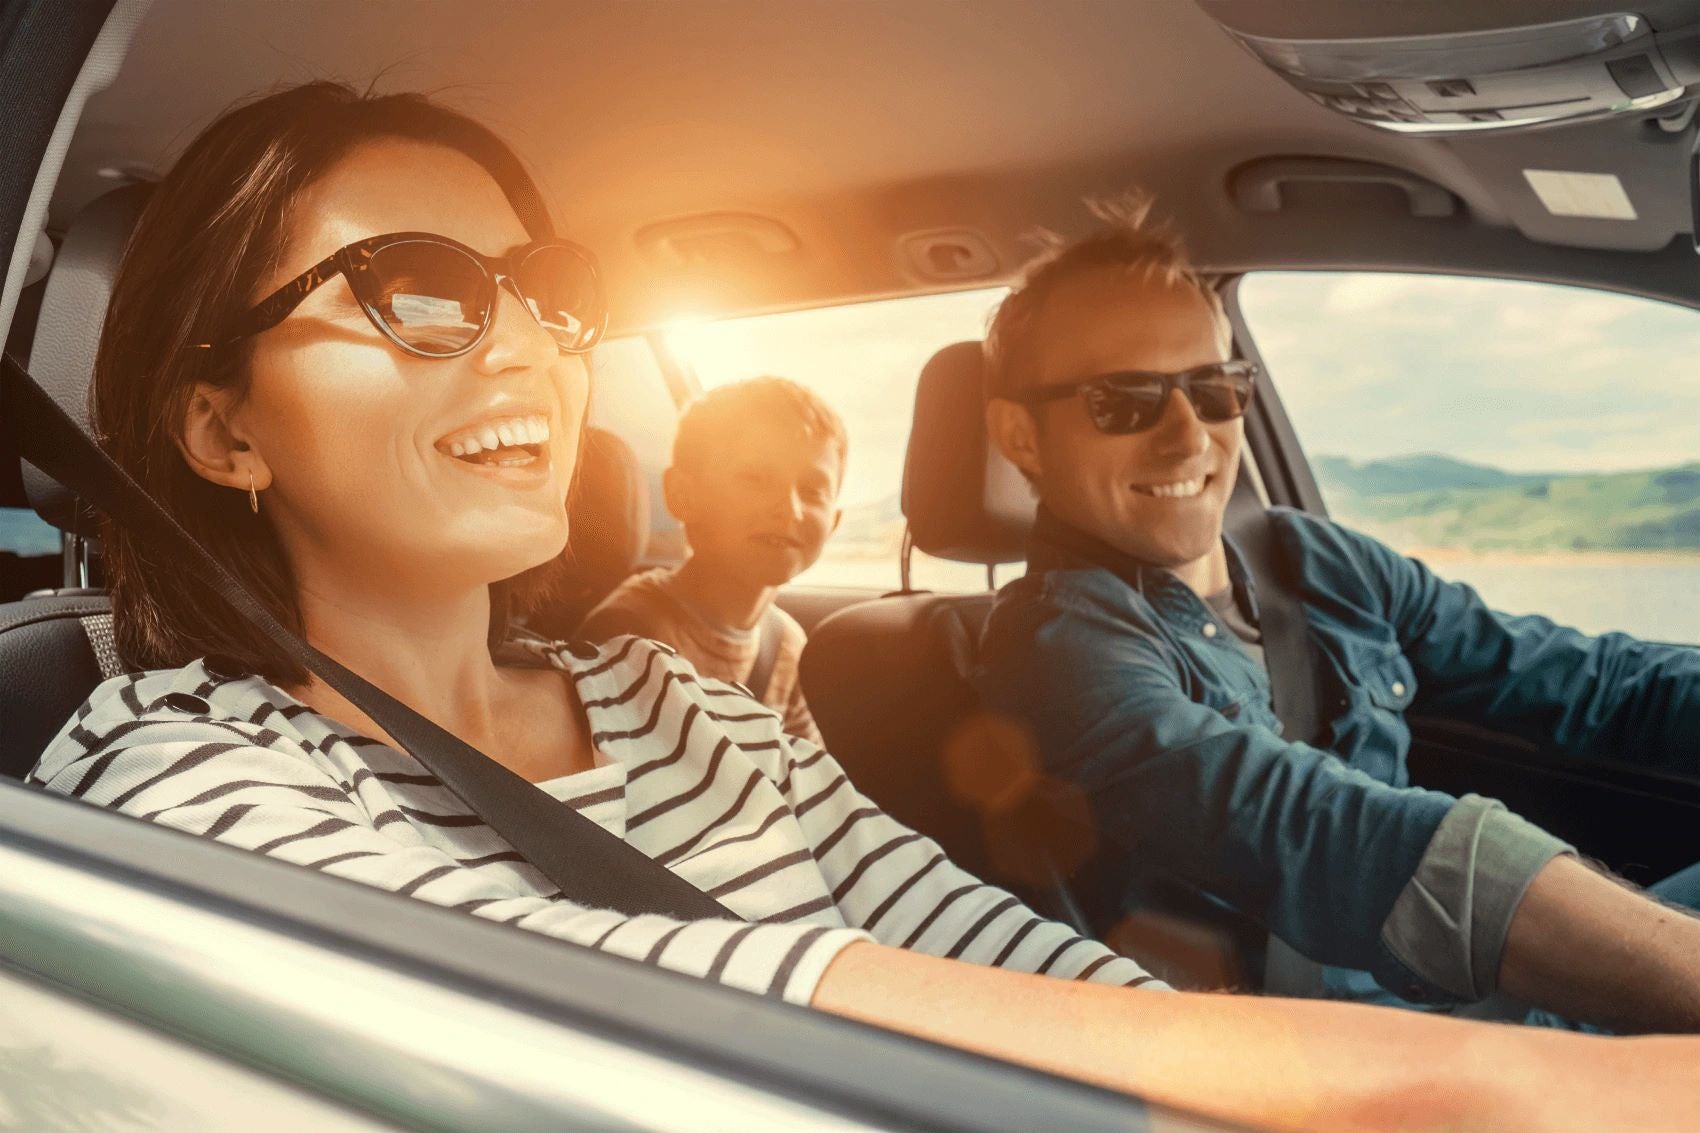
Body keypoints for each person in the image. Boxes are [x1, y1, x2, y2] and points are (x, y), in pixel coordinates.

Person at [26, 82, 1700, 1130]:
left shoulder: (686, 706)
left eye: (548, 291)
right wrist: (1488, 1089)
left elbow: (995, 956)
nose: (533, 342)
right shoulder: (174, 770)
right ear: (224, 424)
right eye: (420, 289)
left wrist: (1243, 1089)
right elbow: (626, 988)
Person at [972, 191, 1700, 1033]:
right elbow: (1318, 832)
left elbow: (1591, 682)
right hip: (1359, 1065)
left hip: (1475, 1002)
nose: (1187, 436)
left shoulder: (1312, 561)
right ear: (1022, 439)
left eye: (1214, 389)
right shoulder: (1055, 646)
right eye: (1123, 401)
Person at [579, 377, 843, 744]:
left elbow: (806, 780)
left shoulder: (786, 644)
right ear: (683, 496)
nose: (791, 510)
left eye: (813, 490)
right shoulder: (628, 634)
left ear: (835, 522)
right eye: (756, 478)